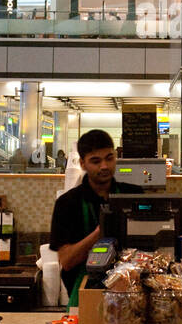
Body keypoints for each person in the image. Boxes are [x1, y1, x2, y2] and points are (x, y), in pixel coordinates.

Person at [49, 129, 144, 304]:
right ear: (83, 164)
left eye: (109, 158)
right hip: (85, 297)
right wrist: (100, 233)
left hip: (131, 294)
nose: (104, 166)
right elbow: (67, 261)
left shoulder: (134, 194)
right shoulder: (67, 203)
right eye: (95, 161)